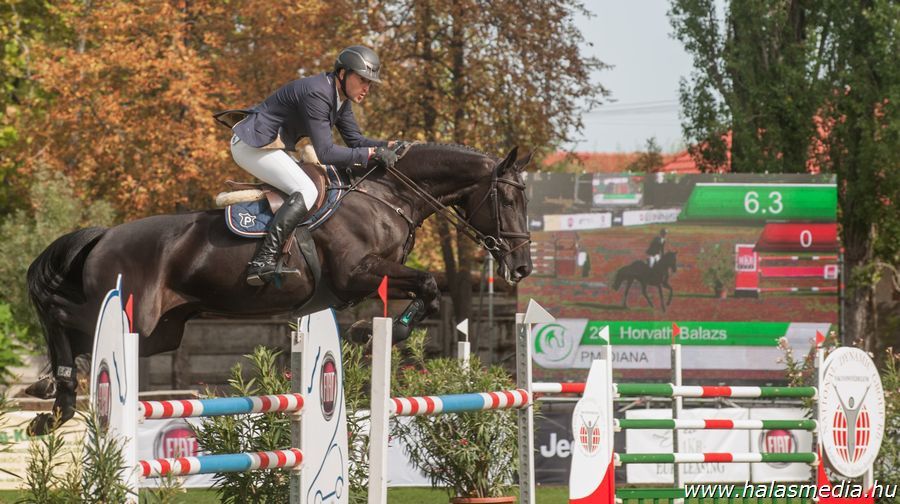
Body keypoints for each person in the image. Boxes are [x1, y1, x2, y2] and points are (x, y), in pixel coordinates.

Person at [222, 45, 399, 286]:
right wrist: (371, 154)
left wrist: (390, 145)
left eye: (370, 83)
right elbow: (325, 153)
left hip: (269, 147)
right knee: (307, 190)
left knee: (312, 187)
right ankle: (263, 260)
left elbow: (356, 141)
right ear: (343, 73)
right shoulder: (318, 93)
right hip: (252, 145)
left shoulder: (340, 99)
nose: (367, 88)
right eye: (363, 80)